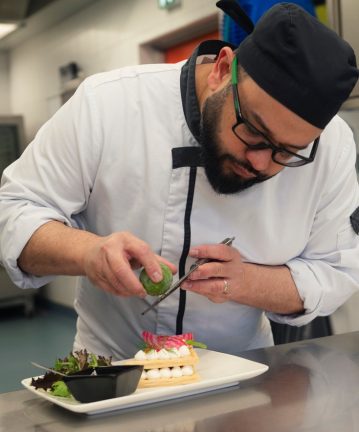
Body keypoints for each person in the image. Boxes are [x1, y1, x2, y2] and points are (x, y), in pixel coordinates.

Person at [0, 3, 358, 359]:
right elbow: (14, 211)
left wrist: (245, 281)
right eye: (252, 132)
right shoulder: (109, 103)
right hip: (112, 368)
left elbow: (335, 271)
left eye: (287, 152)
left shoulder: (332, 148)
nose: (261, 161)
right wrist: (88, 252)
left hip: (242, 372)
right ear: (221, 69)